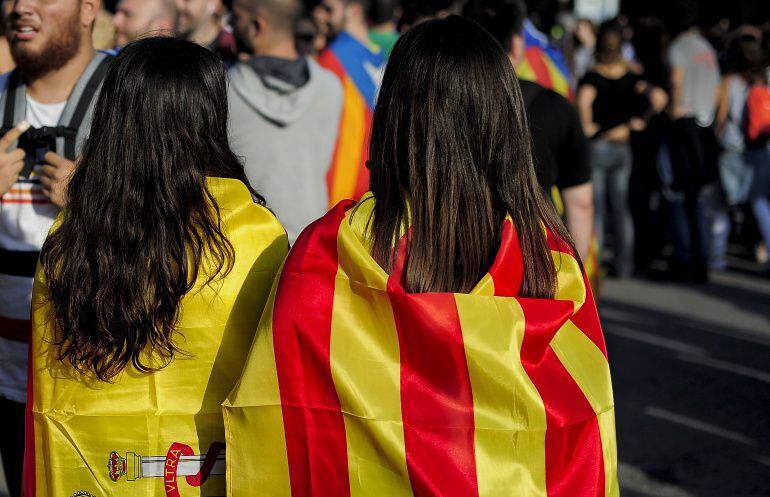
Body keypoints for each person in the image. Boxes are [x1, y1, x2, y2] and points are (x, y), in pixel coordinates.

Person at [225, 16, 617, 496]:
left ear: (393, 115)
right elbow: (583, 429)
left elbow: (288, 413)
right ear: (506, 119)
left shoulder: (333, 249)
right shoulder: (549, 259)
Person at [24, 37, 288, 497]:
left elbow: (48, 388)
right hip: (209, 477)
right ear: (209, 117)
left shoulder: (70, 237)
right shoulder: (254, 232)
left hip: (89, 475)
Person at [0, 0, 111, 493]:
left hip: (97, 379)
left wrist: (93, 201)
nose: (21, 6)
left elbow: (188, 221)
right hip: (7, 379)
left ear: (89, 8)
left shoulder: (131, 99)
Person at [465, 0, 593, 263]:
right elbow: (581, 204)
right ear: (516, 44)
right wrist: (574, 271)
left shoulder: (440, 100)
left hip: (457, 259)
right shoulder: (556, 106)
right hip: (531, 261)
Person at [229, 0, 342, 242]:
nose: (231, 25)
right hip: (308, 248)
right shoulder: (331, 88)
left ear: (256, 27)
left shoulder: (223, 90)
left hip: (244, 248)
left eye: (236, 18)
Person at [577, 21, 667, 277]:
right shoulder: (632, 78)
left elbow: (583, 101)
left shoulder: (593, 77)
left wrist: (587, 126)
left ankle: (591, 266)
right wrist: (641, 120)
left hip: (598, 147)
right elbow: (660, 98)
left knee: (596, 210)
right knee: (621, 209)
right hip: (623, 149)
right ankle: (624, 264)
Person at [662, 0, 721, 282]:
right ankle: (703, 260)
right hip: (706, 124)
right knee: (700, 197)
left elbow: (676, 80)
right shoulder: (706, 48)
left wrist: (672, 109)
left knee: (680, 195)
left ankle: (685, 260)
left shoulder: (678, 48)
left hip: (685, 126)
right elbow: (718, 87)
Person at [317, 0, 385, 206]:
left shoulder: (330, 61)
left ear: (354, 10)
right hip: (372, 199)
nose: (321, 16)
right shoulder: (384, 58)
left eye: (329, 9)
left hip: (336, 202)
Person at [711, 35, 762, 270]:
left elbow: (719, 118)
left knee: (722, 205)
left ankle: (717, 256)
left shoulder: (728, 82)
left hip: (731, 149)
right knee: (759, 203)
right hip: (758, 147)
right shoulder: (762, 81)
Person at [175, 0, 238, 65]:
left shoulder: (229, 51)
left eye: (187, 0)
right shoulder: (169, 47)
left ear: (214, 3)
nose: (178, 5)